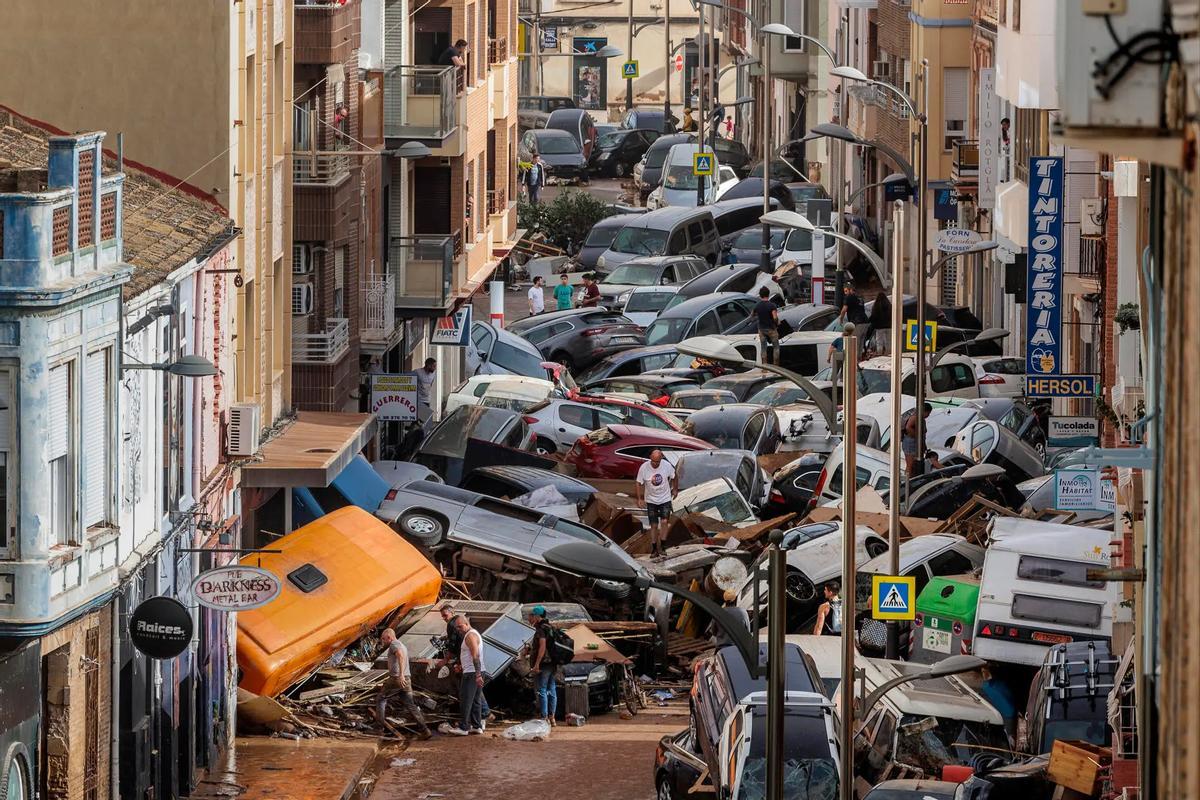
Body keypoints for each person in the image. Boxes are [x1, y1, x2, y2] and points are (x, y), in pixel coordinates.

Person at [375, 628, 433, 739]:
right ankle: (425, 730)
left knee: (381, 699)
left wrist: (400, 674)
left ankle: (379, 729)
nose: (383, 641)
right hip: (407, 679)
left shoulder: (394, 645)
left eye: (383, 638)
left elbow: (400, 656)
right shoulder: (402, 644)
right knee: (410, 705)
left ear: (389, 637)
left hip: (397, 679)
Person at [445, 615, 486, 735]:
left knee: (465, 699)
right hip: (473, 671)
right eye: (457, 627)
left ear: (466, 623)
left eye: (460, 626)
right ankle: (477, 726)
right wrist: (462, 666)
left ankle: (464, 727)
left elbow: (476, 656)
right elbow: (469, 656)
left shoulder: (470, 636)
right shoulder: (471, 634)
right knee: (475, 700)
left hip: (472, 673)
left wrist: (477, 675)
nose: (458, 629)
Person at [635, 449, 678, 558]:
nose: (655, 464)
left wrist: (675, 489)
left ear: (661, 460)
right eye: (653, 461)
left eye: (657, 462)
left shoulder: (666, 466)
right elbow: (638, 483)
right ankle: (654, 549)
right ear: (650, 458)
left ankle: (663, 546)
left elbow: (674, 476)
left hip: (665, 499)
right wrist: (640, 499)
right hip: (651, 500)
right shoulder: (644, 468)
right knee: (653, 525)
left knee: (664, 522)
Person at [527, 606, 559, 727]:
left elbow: (542, 647)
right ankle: (552, 718)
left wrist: (536, 664)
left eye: (531, 615)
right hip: (553, 664)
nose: (530, 618)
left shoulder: (540, 629)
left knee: (542, 690)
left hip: (544, 664)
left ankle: (544, 717)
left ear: (537, 616)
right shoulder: (550, 627)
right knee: (552, 689)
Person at [901, 402, 933, 475]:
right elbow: (908, 427)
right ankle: (908, 481)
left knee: (913, 465)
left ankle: (910, 478)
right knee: (910, 465)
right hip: (911, 443)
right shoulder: (915, 417)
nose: (928, 415)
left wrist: (923, 444)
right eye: (928, 413)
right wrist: (917, 436)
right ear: (924, 411)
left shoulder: (921, 419)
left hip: (915, 442)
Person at [751, 287, 780, 365]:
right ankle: (776, 367)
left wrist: (759, 315)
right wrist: (777, 324)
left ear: (760, 295)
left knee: (763, 348)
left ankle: (765, 366)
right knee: (776, 347)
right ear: (768, 294)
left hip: (761, 329)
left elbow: (752, 316)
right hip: (771, 329)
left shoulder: (757, 306)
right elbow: (775, 318)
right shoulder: (772, 305)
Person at [414, 358, 436, 422]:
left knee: (423, 421)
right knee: (417, 420)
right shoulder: (417, 372)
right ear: (428, 365)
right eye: (433, 366)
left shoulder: (433, 374)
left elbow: (430, 384)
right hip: (418, 400)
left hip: (427, 400)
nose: (435, 368)